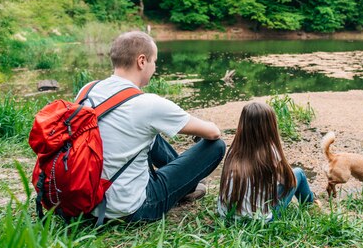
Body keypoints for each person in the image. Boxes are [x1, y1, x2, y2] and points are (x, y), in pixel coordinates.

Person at [77, 31, 226, 222]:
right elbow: (213, 133)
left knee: (149, 134)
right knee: (217, 146)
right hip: (128, 209)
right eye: (154, 61)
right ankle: (188, 185)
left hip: (82, 200)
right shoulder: (147, 104)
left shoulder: (88, 90)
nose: (155, 68)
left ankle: (189, 186)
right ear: (141, 61)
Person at [218, 101, 316, 221]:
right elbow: (287, 181)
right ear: (270, 126)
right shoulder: (270, 151)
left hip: (228, 216)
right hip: (261, 221)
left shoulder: (234, 150)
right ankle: (310, 203)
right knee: (298, 173)